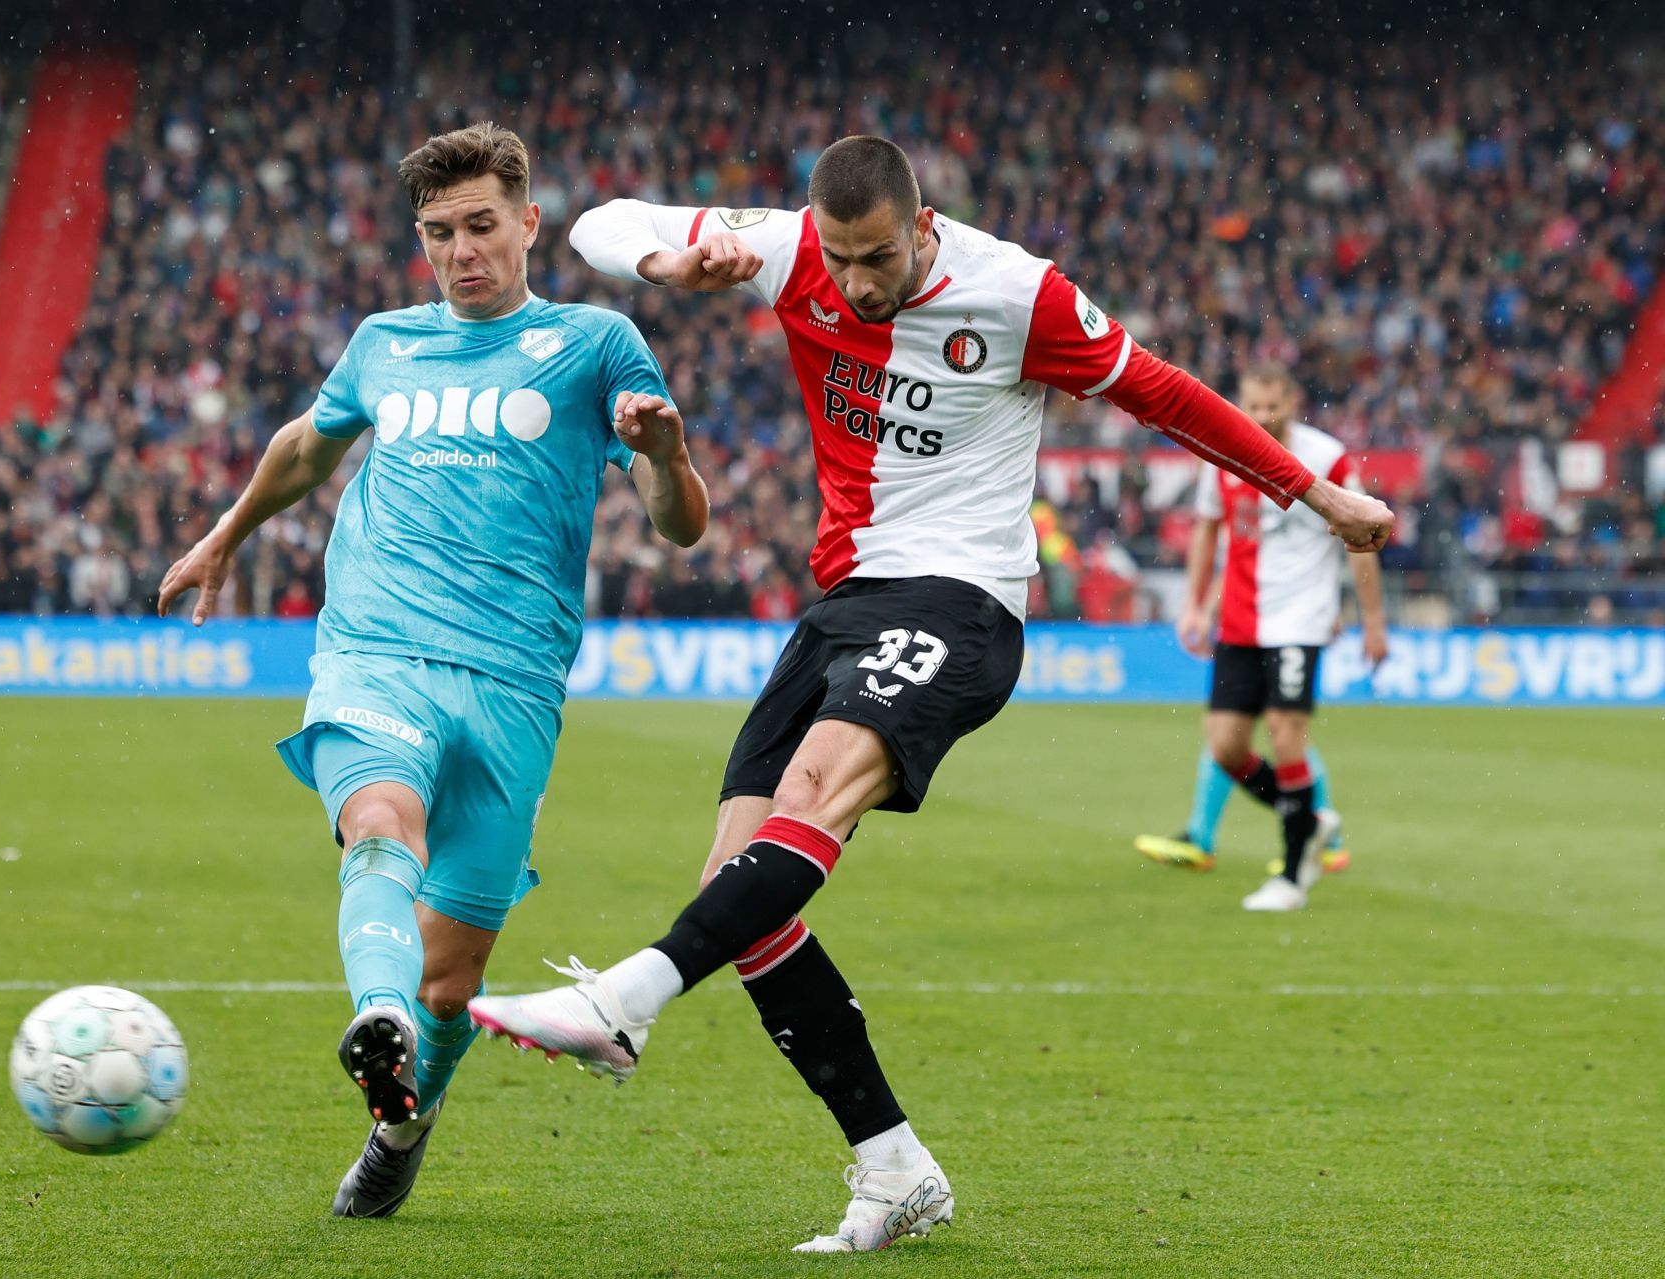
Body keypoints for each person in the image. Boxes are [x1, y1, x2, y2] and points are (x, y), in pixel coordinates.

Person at [467, 136, 1394, 1253]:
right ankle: (893, 1166)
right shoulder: (789, 249)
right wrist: (667, 263)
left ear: (921, 225)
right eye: (841, 260)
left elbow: (1167, 396)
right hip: (844, 600)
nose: (856, 284)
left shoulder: (1016, 292)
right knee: (740, 888)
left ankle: (623, 999)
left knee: (810, 798)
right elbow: (598, 219)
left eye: (876, 259)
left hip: (960, 600)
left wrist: (1316, 496)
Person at [157, 122, 707, 1219]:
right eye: (438, 232)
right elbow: (306, 447)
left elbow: (679, 526)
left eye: (481, 227)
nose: (461, 251)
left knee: (453, 978)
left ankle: (402, 1123)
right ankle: (380, 1011)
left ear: (529, 223)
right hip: (375, 648)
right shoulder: (382, 342)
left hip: (515, 683)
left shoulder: (597, 345)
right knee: (378, 823)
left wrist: (664, 451)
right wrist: (226, 535)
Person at [1134, 363, 1389, 910]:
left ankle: (1293, 876)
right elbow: (1208, 529)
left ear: (1291, 399)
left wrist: (1372, 621)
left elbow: (1362, 538)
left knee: (1284, 731)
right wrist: (1197, 606)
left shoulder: (1328, 457)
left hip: (1300, 618)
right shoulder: (1223, 450)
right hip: (1241, 620)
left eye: (1273, 405)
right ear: (1242, 401)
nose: (1264, 417)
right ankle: (1310, 819)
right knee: (1226, 747)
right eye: (1254, 406)